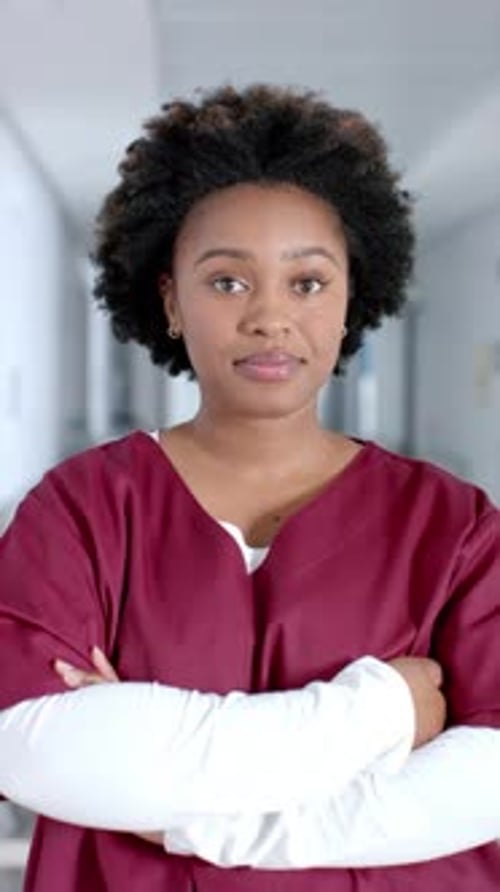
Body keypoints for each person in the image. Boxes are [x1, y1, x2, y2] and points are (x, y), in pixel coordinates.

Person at [0, 84, 499, 892]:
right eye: (228, 282)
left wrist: (191, 813)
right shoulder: (83, 508)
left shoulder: (452, 525)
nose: (270, 317)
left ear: (349, 303)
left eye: (307, 283)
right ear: (170, 299)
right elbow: (29, 744)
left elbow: (490, 779)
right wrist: (378, 715)